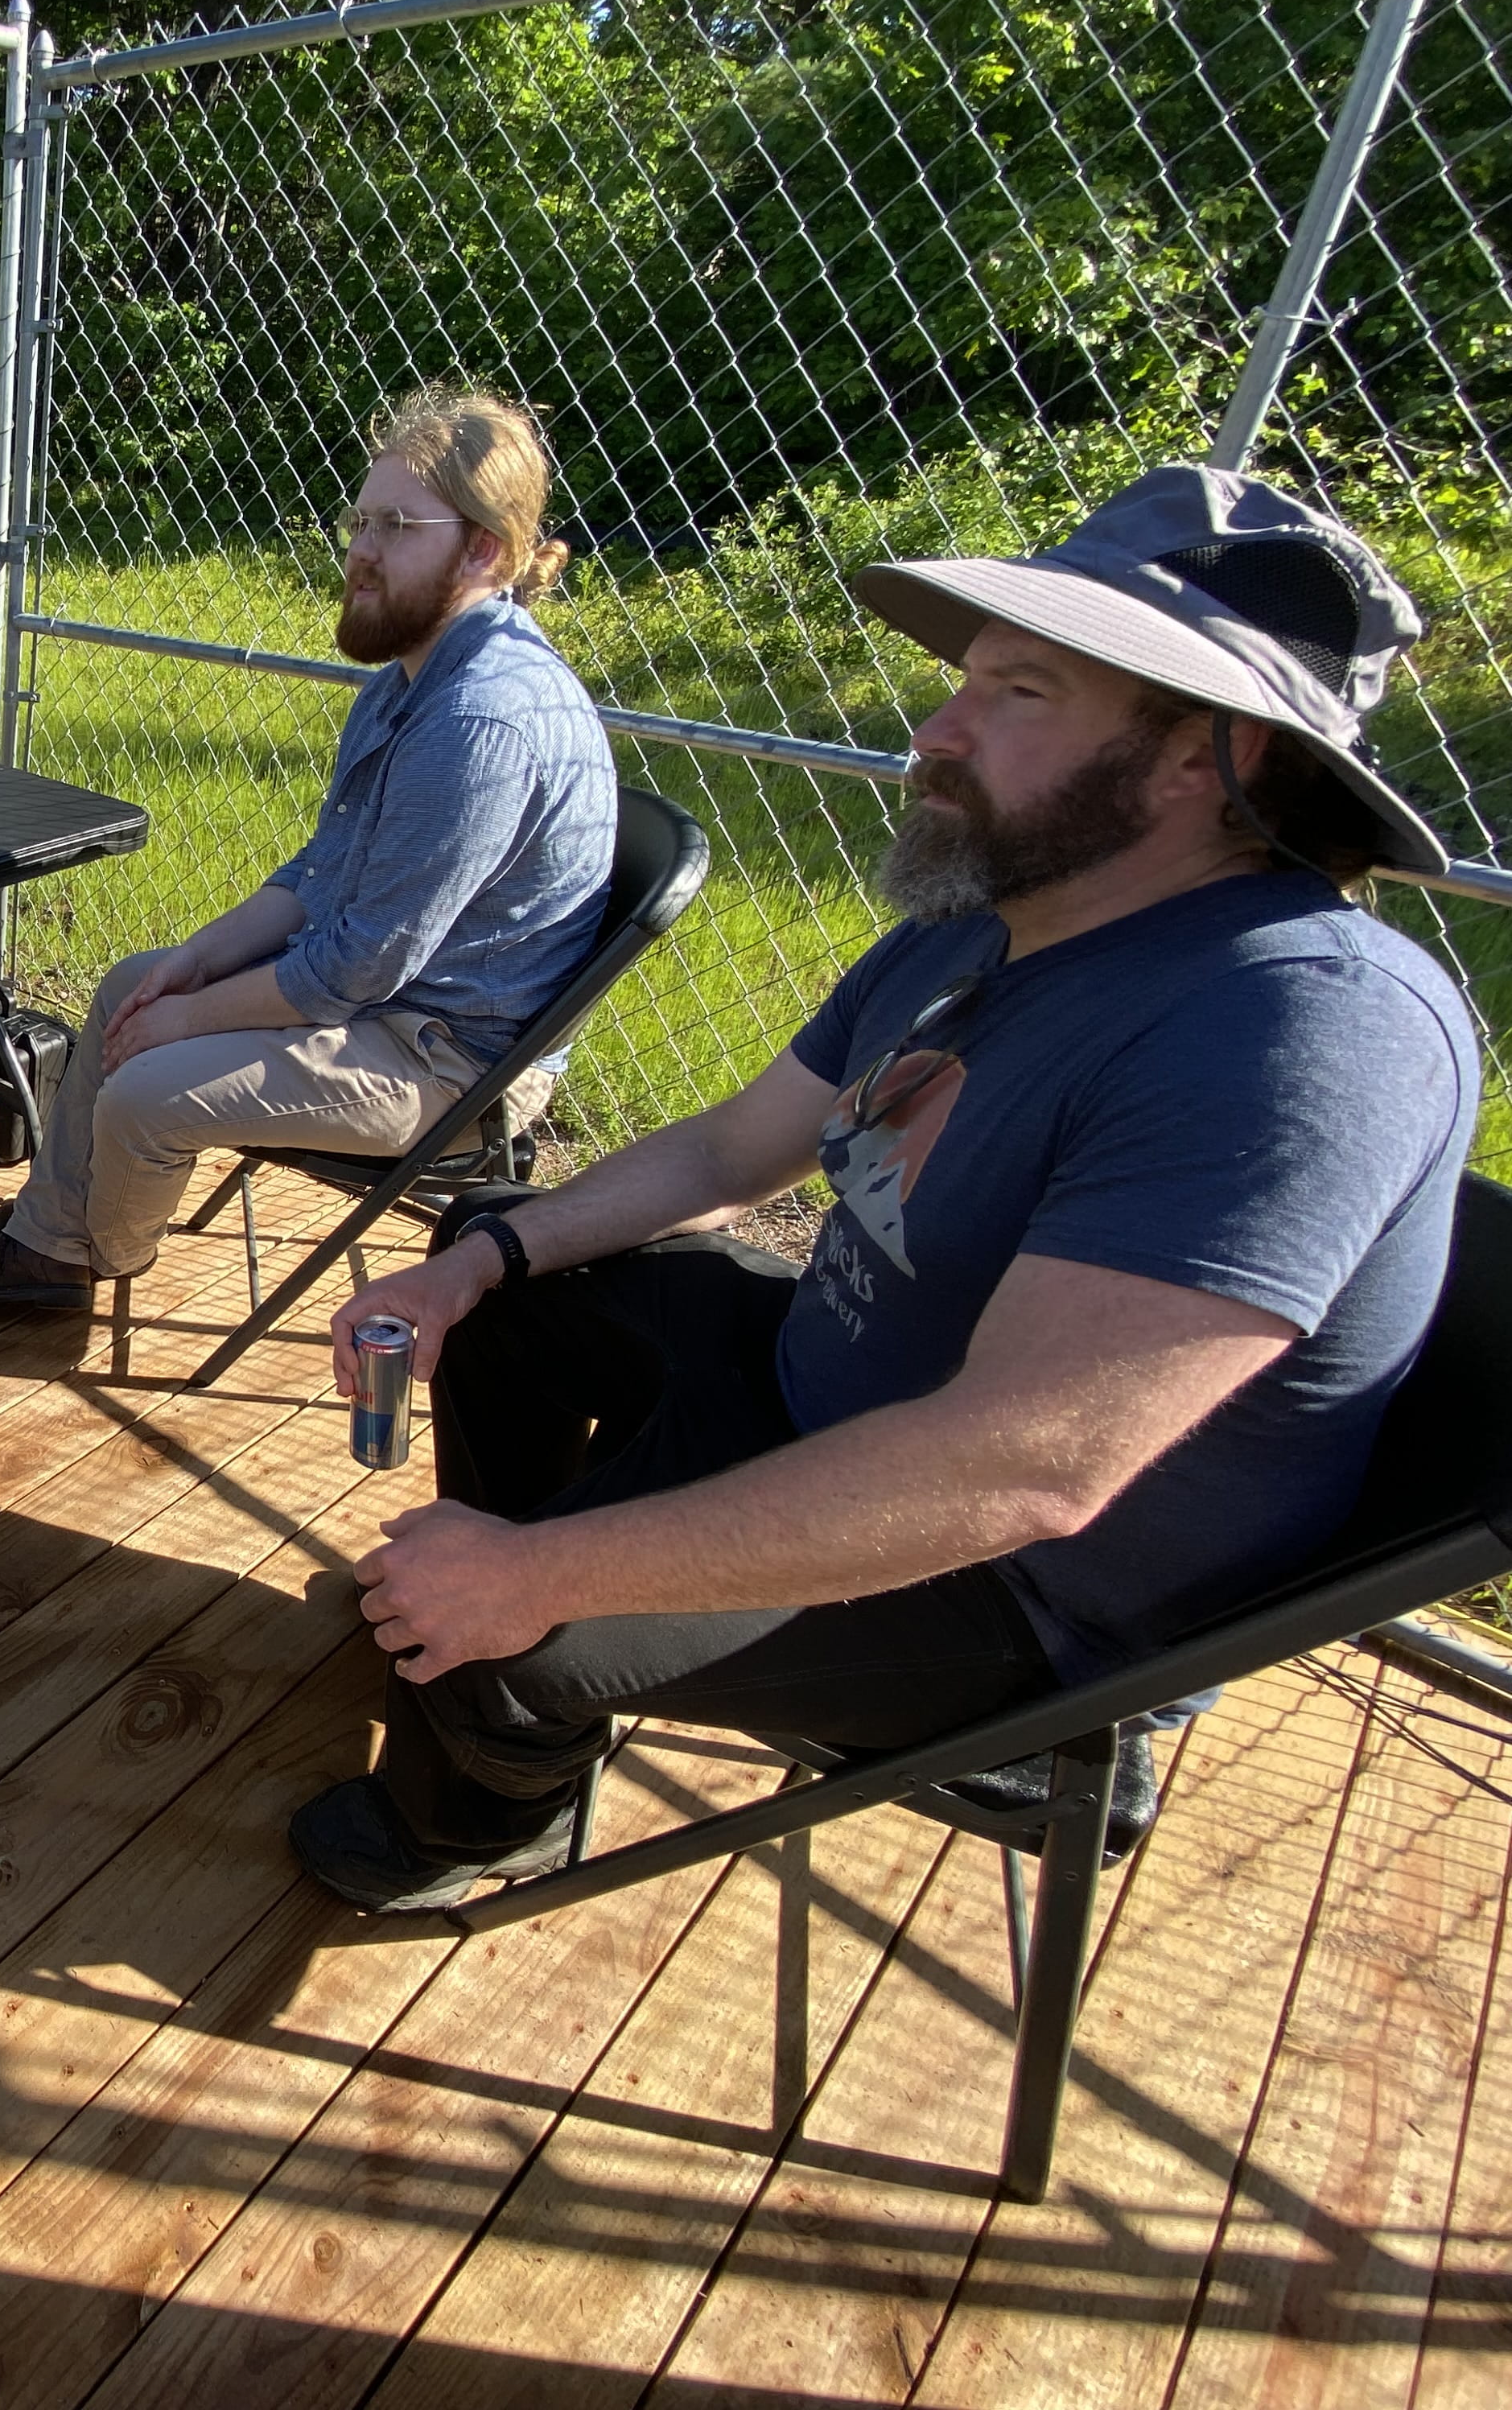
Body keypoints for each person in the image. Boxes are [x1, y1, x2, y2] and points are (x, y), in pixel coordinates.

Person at [291, 463, 1477, 1912]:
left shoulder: (1299, 1027)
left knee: (506, 1638)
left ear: (1206, 757)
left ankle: (483, 1802)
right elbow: (730, 1152)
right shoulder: (994, 918)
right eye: (966, 680)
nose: (935, 735)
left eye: (1021, 694)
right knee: (502, 1290)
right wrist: (475, 1263)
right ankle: (509, 1628)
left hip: (1025, 1595)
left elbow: (1026, 1466)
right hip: (834, 1386)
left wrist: (542, 1579)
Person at [0, 385, 618, 1308]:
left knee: (143, 1089)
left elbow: (357, 969)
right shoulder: (411, 676)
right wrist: (192, 969)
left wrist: (188, 1021)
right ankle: (50, 1241)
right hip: (388, 1005)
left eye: (397, 526)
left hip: (453, 1063)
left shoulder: (482, 720)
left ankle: (96, 1257)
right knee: (133, 981)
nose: (362, 552)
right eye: (360, 520)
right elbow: (318, 878)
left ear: (483, 548)